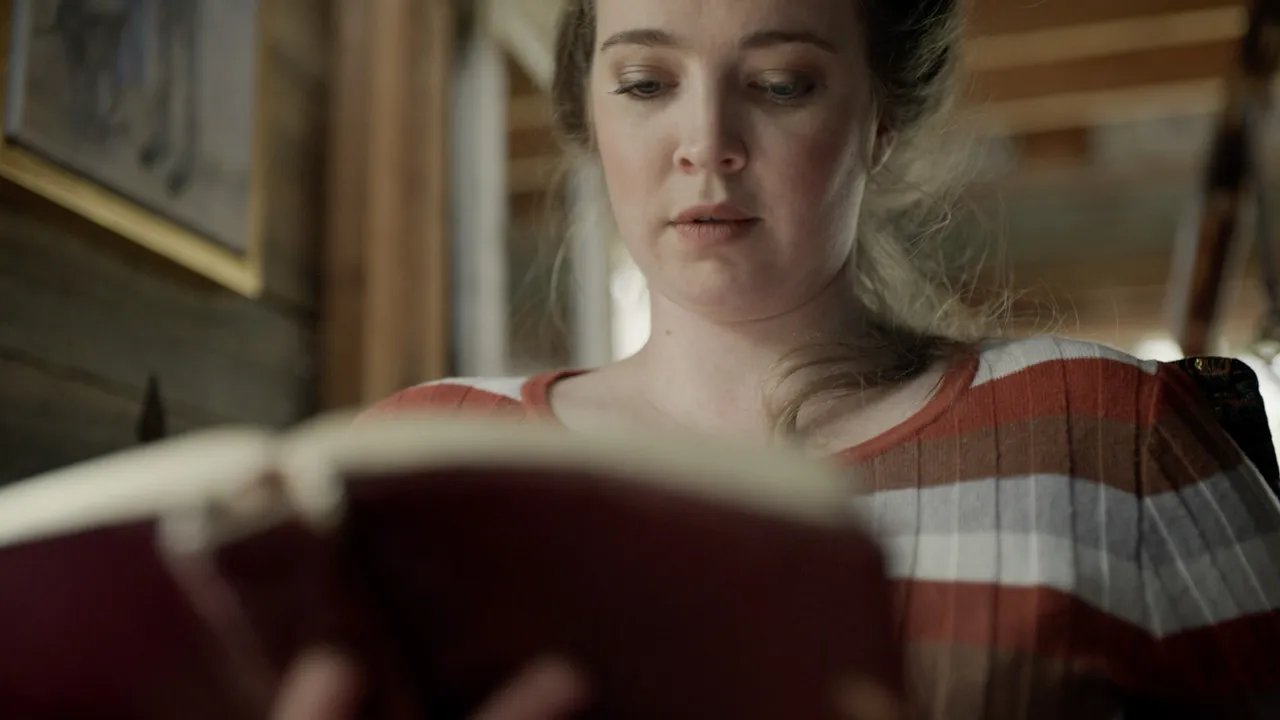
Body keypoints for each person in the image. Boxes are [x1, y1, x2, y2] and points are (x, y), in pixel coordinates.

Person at [286, 0, 1280, 717]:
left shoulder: (1106, 436)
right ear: (590, 114)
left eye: (777, 84)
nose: (705, 142)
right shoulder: (417, 456)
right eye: (643, 83)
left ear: (878, 123)